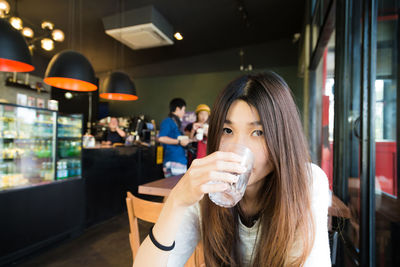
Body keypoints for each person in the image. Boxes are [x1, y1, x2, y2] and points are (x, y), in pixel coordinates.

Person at [133, 72, 331, 266]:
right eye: (227, 130)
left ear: (283, 136)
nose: (238, 149)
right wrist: (176, 202)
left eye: (258, 132)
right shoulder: (208, 191)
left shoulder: (308, 180)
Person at [158, 98, 190, 177]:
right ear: (177, 109)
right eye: (183, 110)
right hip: (173, 161)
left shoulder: (176, 122)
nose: (184, 112)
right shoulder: (168, 121)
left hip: (178, 161)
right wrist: (179, 142)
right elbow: (161, 138)